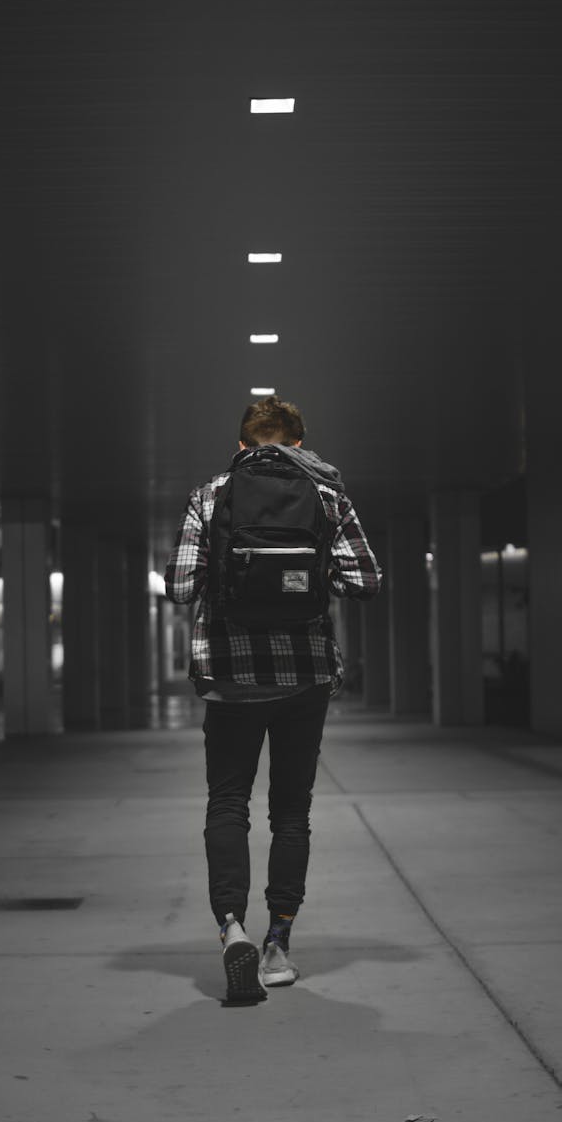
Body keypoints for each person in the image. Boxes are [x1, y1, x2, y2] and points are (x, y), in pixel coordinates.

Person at [164, 394, 382, 1003]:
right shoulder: (328, 495)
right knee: (291, 811)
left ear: (241, 444)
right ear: (301, 443)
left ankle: (231, 926)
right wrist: (310, 573)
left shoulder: (210, 496)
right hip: (304, 679)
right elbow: (365, 580)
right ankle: (278, 943)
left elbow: (181, 587)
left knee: (227, 802)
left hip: (231, 678)